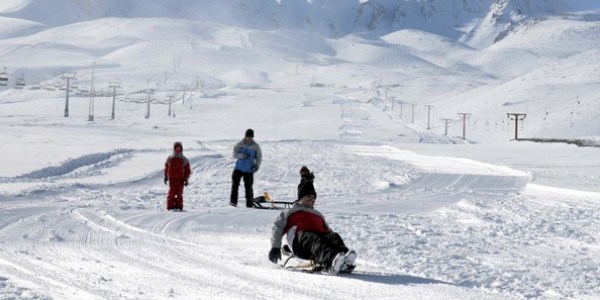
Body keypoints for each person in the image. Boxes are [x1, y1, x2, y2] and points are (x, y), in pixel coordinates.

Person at [268, 182, 357, 274]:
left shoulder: (318, 214)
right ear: (301, 197)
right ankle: (330, 261)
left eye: (314, 197)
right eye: (308, 196)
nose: (312, 199)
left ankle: (344, 260)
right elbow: (277, 228)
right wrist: (275, 247)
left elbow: (327, 231)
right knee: (313, 237)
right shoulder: (290, 212)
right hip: (300, 241)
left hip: (317, 242)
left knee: (334, 237)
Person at [230, 128, 262, 208]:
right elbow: (234, 154)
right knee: (235, 186)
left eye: (251, 137)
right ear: (245, 136)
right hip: (238, 169)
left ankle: (249, 204)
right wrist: (242, 156)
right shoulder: (239, 144)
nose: (249, 138)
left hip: (248, 170)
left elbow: (259, 156)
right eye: (248, 136)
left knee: (248, 188)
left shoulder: (255, 146)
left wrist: (257, 165)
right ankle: (233, 202)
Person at [164, 141, 191, 211]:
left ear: (182, 149)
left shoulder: (184, 159)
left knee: (179, 193)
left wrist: (186, 179)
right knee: (172, 192)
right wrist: (165, 176)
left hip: (180, 179)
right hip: (172, 178)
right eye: (177, 148)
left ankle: (179, 206)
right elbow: (166, 167)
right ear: (174, 149)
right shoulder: (170, 158)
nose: (178, 150)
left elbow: (187, 170)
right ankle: (170, 206)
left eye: (179, 148)